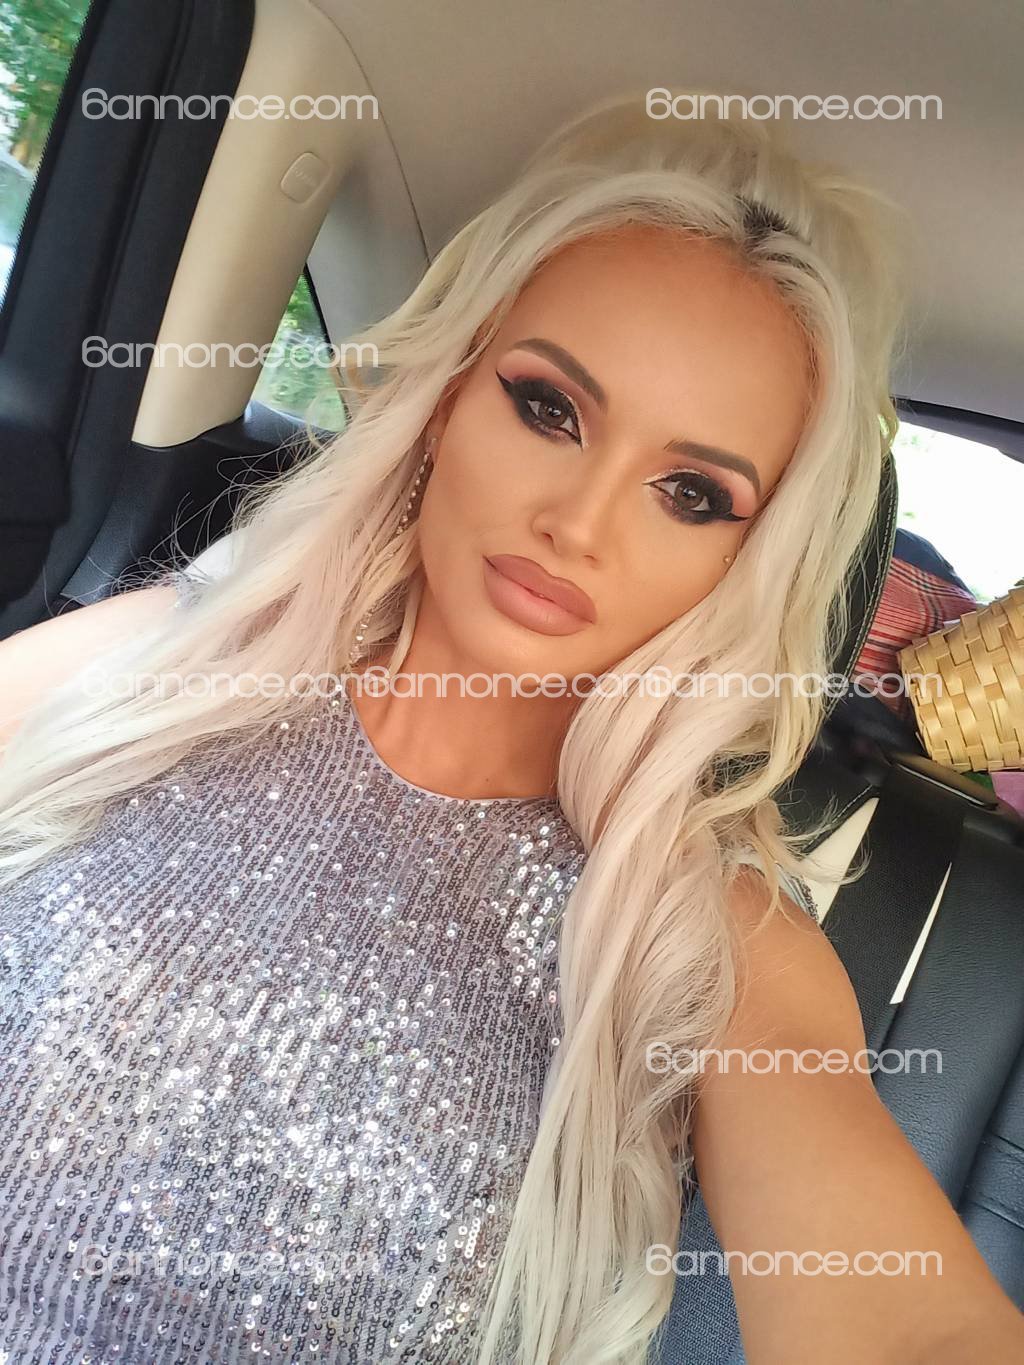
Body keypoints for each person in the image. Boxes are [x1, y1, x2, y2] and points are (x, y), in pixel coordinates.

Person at [0, 91, 1021, 1365]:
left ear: (744, 564)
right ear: (444, 401)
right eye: (549, 407)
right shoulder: (171, 659)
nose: (577, 522)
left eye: (690, 492)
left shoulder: (706, 935)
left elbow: (905, 1322)